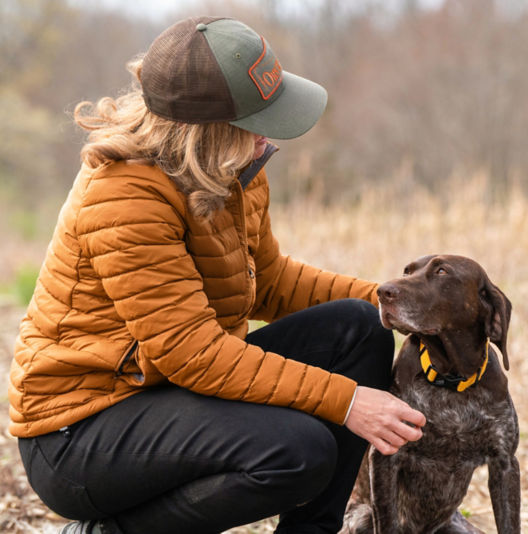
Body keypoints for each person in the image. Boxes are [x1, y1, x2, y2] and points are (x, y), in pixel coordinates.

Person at [8, 16, 426, 534]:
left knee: (361, 327)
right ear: (207, 131)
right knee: (299, 452)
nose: (268, 136)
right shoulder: (123, 194)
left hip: (164, 386)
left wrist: (400, 305)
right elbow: (192, 353)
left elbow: (268, 281)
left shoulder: (234, 166)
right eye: (257, 121)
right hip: (80, 430)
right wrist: (347, 402)